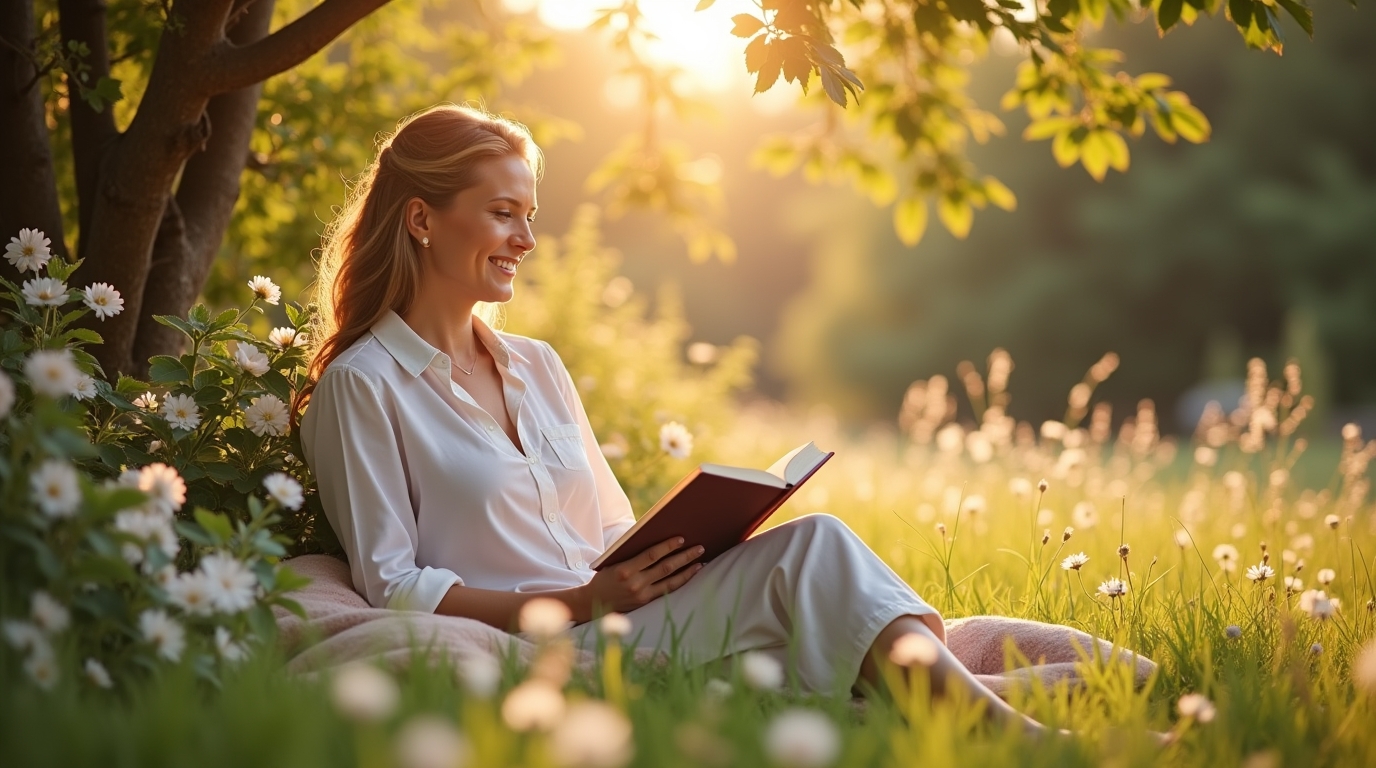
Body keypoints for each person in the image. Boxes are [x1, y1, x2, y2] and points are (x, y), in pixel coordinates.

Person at [297, 104, 1051, 733]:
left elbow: (606, 530)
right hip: (557, 636)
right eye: (502, 215)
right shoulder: (362, 386)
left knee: (810, 550)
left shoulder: (537, 365)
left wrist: (703, 545)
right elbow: (393, 586)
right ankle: (1007, 736)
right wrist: (578, 603)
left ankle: (961, 718)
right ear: (423, 219)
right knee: (818, 550)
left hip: (629, 613)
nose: (526, 240)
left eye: (529, 216)